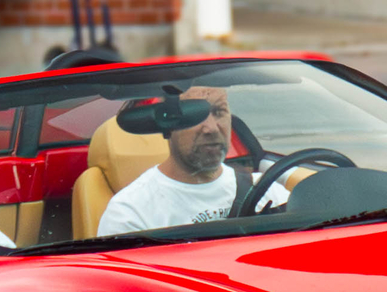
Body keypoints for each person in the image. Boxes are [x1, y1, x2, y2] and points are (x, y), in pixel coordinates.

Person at [96, 85, 291, 236]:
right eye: (195, 115)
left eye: (219, 112)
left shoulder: (269, 191)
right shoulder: (130, 214)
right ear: (167, 123)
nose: (211, 128)